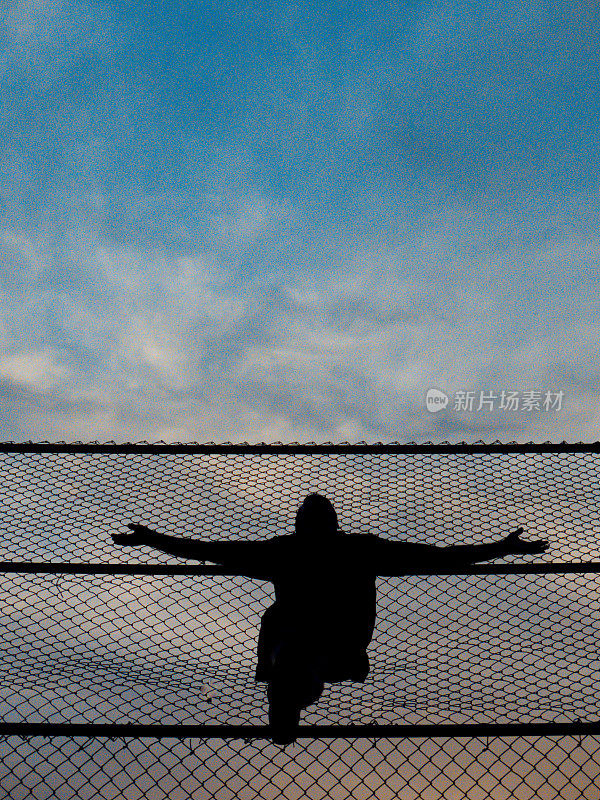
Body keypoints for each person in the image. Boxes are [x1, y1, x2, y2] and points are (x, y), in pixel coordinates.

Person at [112, 493, 549, 745]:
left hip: (338, 643)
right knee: (284, 623)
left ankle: (291, 684)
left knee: (286, 625)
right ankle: (291, 684)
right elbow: (213, 552)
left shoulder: (344, 550)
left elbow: (436, 558)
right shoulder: (307, 550)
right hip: (316, 647)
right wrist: (154, 540)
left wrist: (500, 549)